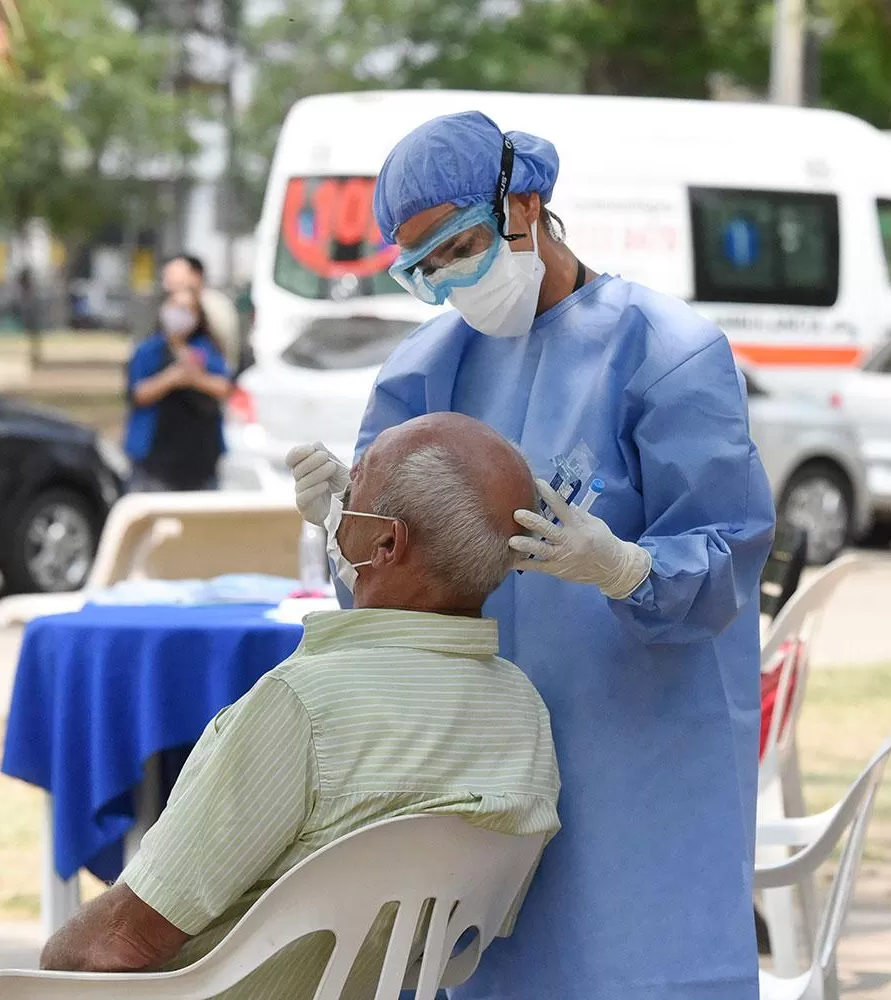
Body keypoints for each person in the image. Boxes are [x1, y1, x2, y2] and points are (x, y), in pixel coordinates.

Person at [287, 111, 777, 1000]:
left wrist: (627, 569)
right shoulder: (423, 374)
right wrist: (341, 534)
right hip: (477, 768)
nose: (448, 280)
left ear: (525, 204)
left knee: (635, 968)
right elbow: (385, 594)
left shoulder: (665, 355)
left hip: (636, 755)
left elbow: (727, 559)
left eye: (460, 245)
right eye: (422, 269)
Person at [39, 413, 561, 999]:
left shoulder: (305, 708)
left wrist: (36, 972)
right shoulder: (524, 712)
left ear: (387, 542)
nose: (340, 493)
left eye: (356, 481)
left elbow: (118, 947)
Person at [123, 288, 234, 492]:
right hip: (154, 462)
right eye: (176, 307)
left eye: (188, 309)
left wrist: (195, 378)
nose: (180, 315)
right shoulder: (148, 350)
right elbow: (138, 393)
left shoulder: (206, 350)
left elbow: (225, 387)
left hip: (200, 460)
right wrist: (171, 378)